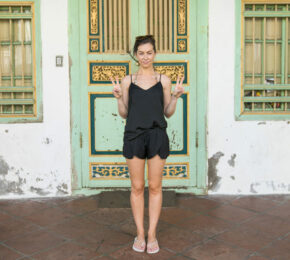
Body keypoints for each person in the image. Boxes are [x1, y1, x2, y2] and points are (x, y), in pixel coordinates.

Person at [110, 35, 184, 254]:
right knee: (137, 187)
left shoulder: (164, 80)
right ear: (136, 55)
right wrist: (117, 98)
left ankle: (152, 234)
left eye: (149, 52)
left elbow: (167, 112)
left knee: (154, 186)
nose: (145, 57)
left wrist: (176, 97)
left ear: (155, 53)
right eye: (141, 53)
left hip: (157, 136)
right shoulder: (127, 81)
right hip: (133, 136)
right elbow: (124, 113)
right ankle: (140, 233)